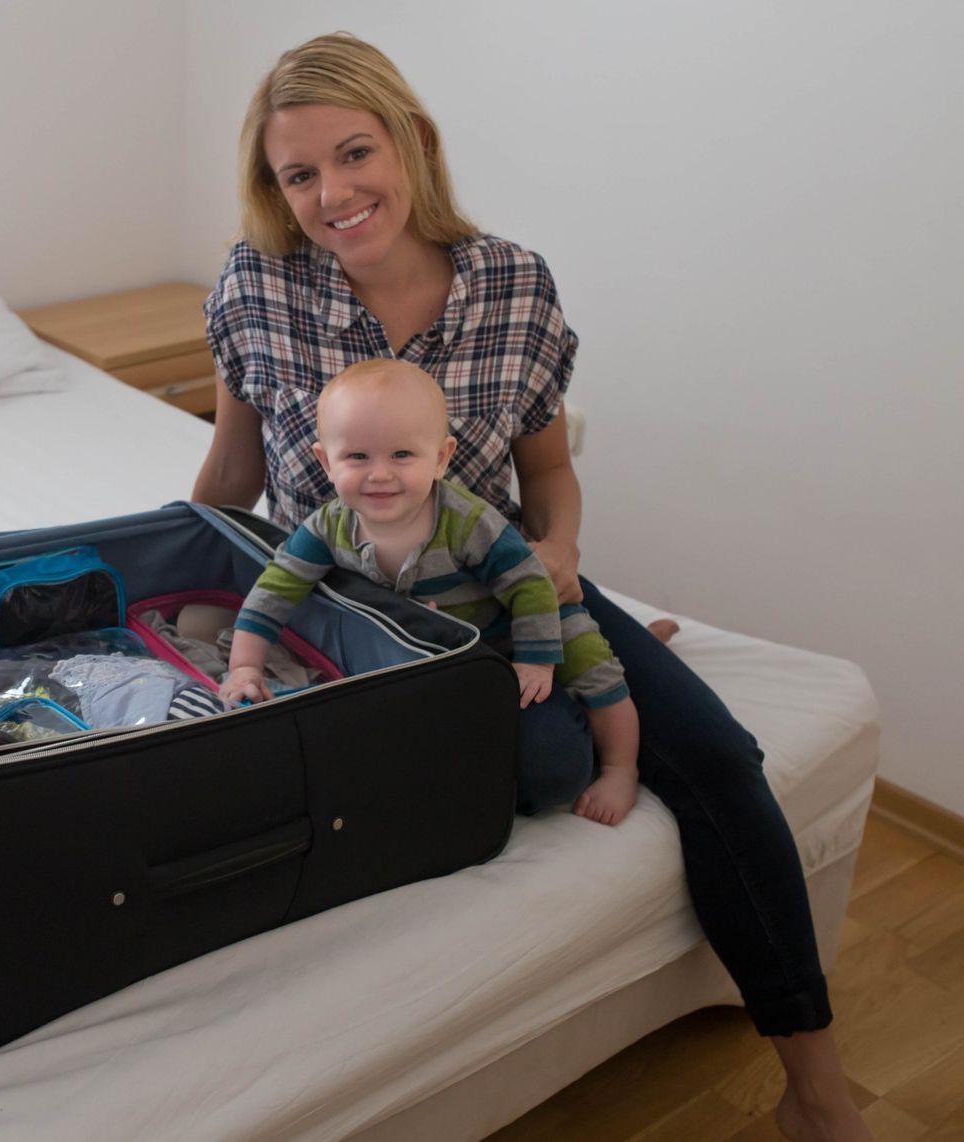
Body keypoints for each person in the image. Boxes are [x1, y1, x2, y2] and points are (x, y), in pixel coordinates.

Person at [190, 31, 870, 1141]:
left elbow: (549, 479)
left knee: (715, 758)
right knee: (529, 774)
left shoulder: (512, 282)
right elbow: (231, 475)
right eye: (297, 173)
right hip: (351, 614)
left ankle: (816, 1085)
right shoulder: (254, 283)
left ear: (411, 140)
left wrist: (557, 559)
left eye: (354, 153)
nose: (331, 193)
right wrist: (200, 612)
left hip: (506, 586)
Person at [220, 359, 640, 824]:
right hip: (451, 648)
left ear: (441, 458)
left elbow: (530, 583)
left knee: (596, 671)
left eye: (402, 455)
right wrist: (243, 667)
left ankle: (621, 767)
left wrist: (536, 659)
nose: (380, 474)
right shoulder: (326, 528)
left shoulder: (467, 522)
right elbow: (271, 593)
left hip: (520, 623)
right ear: (325, 461)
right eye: (358, 457)